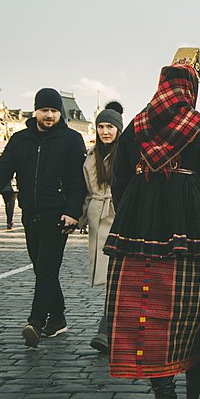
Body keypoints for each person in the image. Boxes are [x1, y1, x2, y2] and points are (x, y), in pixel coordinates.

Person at [103, 62, 200, 399]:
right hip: (196, 231)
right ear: (190, 90)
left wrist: (133, 209)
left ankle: (164, 394)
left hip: (139, 228)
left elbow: (118, 180)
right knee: (194, 306)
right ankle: (194, 371)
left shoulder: (135, 127)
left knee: (143, 307)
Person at [0, 88, 87, 347]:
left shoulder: (71, 139)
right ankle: (59, 318)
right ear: (36, 111)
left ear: (59, 112)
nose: (49, 115)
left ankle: (36, 323)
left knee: (47, 269)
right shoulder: (20, 139)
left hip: (58, 216)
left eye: (53, 111)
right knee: (42, 269)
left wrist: (73, 212)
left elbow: (78, 180)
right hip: (30, 215)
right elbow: (4, 167)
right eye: (44, 110)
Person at [78, 101, 124, 354]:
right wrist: (81, 217)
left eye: (110, 127)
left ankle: (105, 328)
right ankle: (110, 328)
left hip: (118, 219)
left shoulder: (126, 153)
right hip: (98, 220)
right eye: (101, 126)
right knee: (111, 278)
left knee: (116, 276)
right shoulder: (91, 156)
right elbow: (85, 190)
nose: (105, 131)